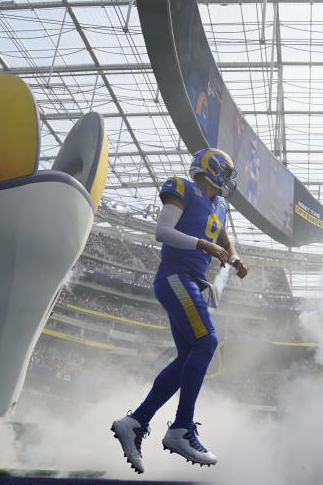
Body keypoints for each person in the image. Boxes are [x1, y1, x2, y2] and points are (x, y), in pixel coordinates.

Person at [112, 148, 250, 474]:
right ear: (212, 168)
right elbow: (163, 232)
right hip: (175, 275)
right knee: (206, 342)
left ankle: (135, 421)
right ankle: (181, 428)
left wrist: (234, 259)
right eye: (226, 173)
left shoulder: (219, 206)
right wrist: (204, 246)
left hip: (191, 281)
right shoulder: (182, 187)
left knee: (188, 355)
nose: (228, 181)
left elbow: (225, 241)